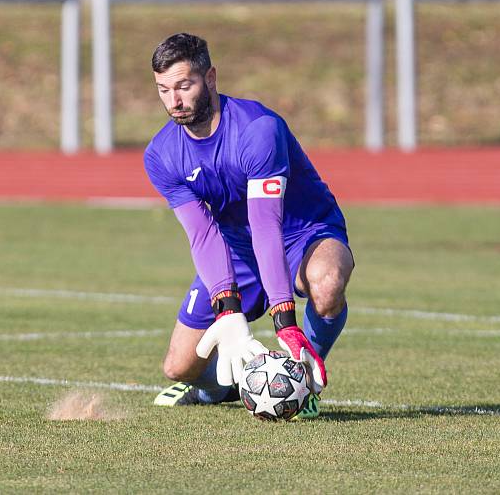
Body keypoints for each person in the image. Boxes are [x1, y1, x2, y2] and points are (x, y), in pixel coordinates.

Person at [144, 33, 354, 419]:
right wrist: (227, 310)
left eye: (183, 86)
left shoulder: (258, 129)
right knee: (179, 366)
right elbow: (203, 234)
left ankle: (302, 378)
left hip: (303, 234)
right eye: (163, 90)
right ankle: (217, 392)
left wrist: (285, 322)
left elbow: (266, 223)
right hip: (237, 249)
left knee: (325, 284)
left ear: (210, 79)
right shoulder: (161, 154)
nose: (173, 101)